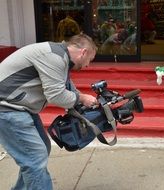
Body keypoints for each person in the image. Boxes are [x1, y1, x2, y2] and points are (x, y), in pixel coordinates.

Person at [0, 33, 98, 189]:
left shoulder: (59, 56)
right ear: (83, 52)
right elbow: (56, 95)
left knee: (39, 151)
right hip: (7, 109)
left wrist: (80, 100)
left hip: (20, 108)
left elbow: (65, 85)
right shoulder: (53, 57)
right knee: (34, 158)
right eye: (89, 60)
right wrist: (83, 98)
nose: (87, 65)